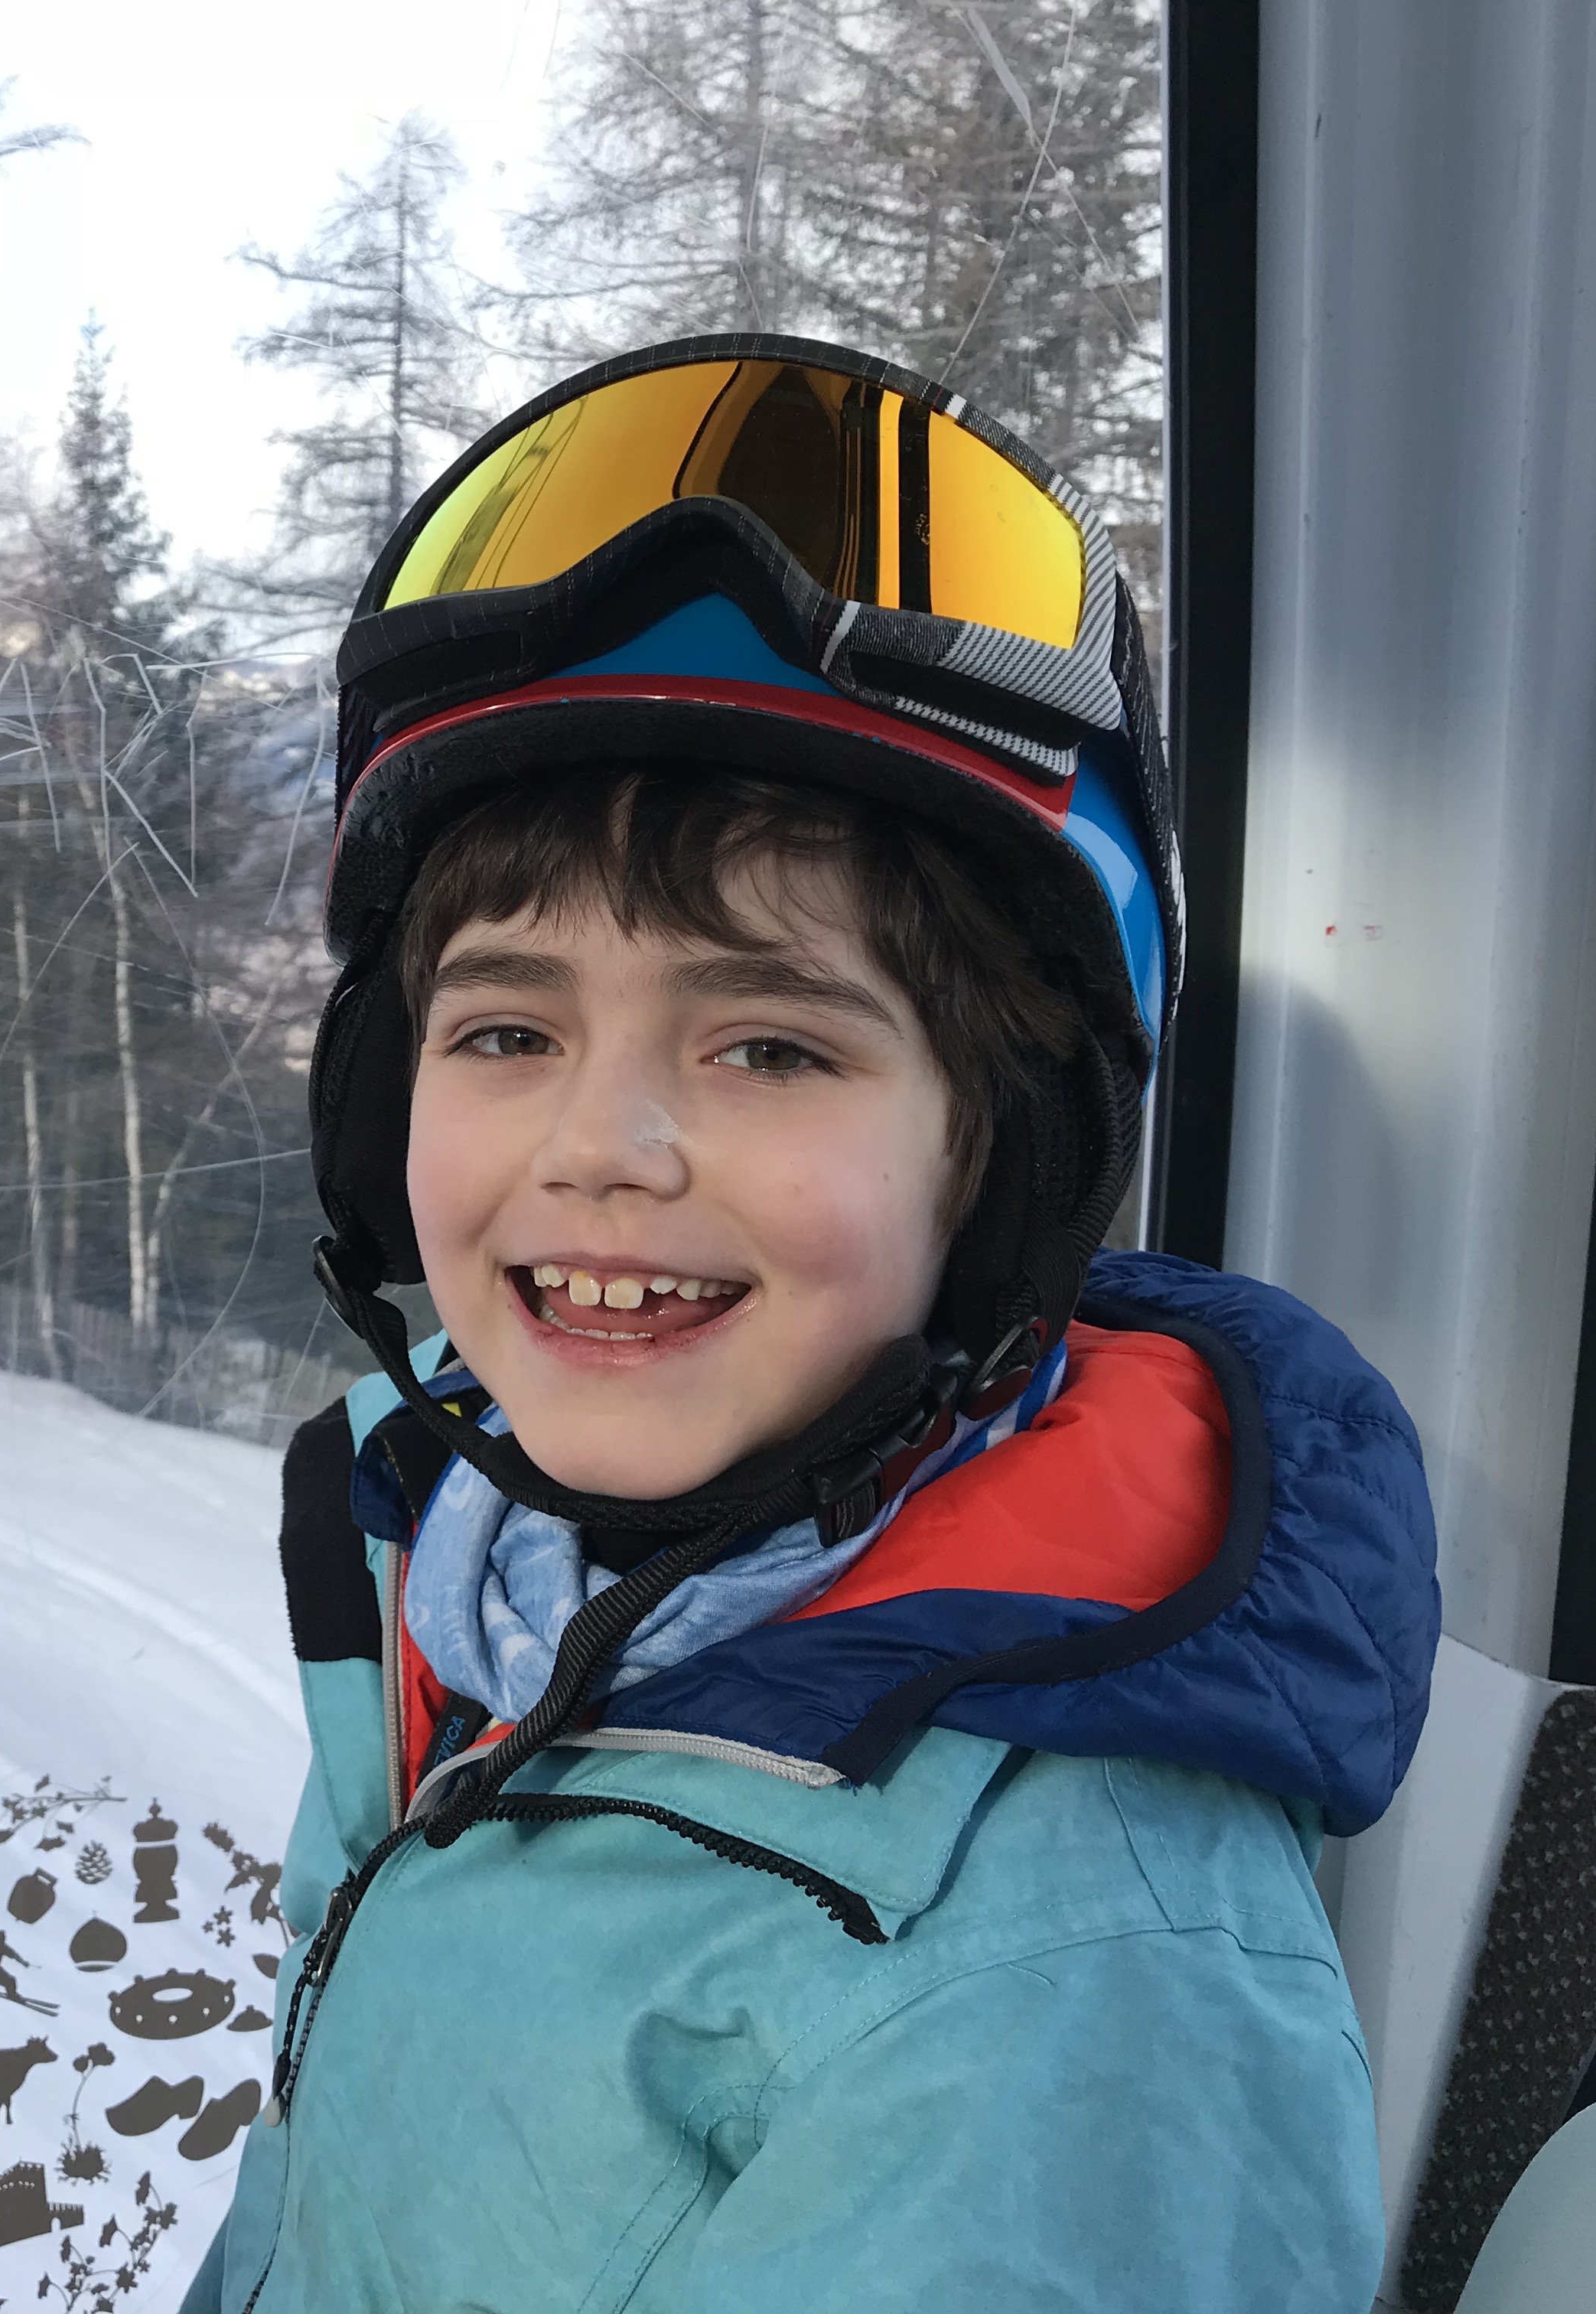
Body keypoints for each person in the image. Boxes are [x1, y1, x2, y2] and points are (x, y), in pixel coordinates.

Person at [180, 337, 1441, 2312]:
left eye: (769, 1046)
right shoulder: (489, 1598)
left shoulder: (1061, 1980)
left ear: (995, 1169)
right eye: (508, 1031)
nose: (607, 1147)